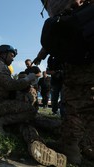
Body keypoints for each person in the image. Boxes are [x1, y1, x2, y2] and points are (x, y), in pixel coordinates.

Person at [0, 44, 66, 167]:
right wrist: (27, 80)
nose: (13, 59)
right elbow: (10, 85)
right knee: (30, 111)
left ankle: (54, 131)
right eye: (11, 55)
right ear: (3, 54)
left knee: (25, 121)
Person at [39, 0, 94, 164]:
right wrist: (42, 54)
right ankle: (70, 147)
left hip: (86, 51)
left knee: (88, 106)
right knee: (71, 104)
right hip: (74, 55)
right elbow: (62, 23)